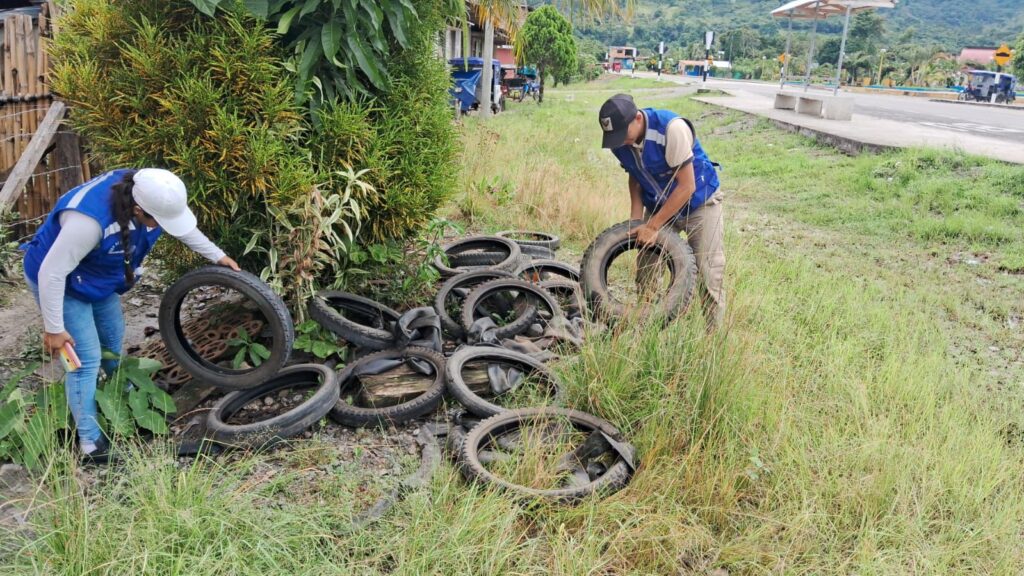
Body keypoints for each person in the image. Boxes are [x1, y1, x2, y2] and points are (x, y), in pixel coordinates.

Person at [21, 168, 240, 461]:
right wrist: (54, 329)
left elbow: (181, 227)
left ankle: (122, 400)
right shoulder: (88, 221)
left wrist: (218, 255)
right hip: (60, 282)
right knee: (84, 361)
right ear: (138, 209)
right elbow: (51, 273)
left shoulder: (152, 194)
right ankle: (90, 443)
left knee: (113, 337)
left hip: (96, 277)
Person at [598, 93, 725, 331]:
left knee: (709, 271)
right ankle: (646, 325)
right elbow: (634, 178)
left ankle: (713, 338)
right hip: (658, 203)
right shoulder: (620, 142)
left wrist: (653, 226)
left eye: (622, 134)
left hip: (700, 202)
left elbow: (687, 186)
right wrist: (636, 220)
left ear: (637, 119)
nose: (620, 142)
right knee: (646, 264)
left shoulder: (670, 129)